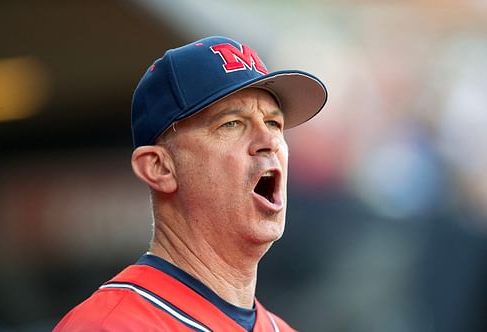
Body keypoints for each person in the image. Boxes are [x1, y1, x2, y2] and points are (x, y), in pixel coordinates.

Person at [54, 36, 327, 332]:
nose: (269, 142)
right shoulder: (109, 326)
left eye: (274, 123)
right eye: (232, 124)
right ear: (160, 168)